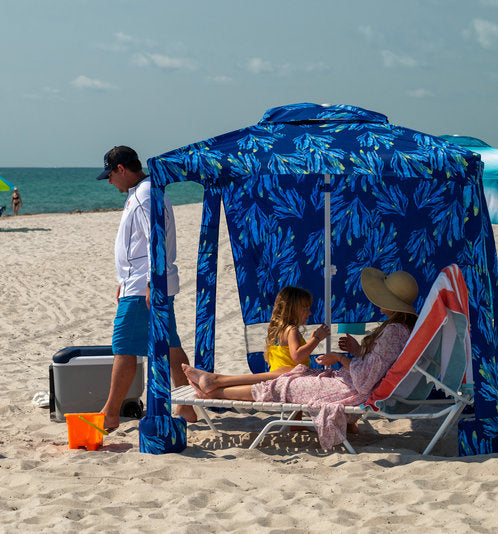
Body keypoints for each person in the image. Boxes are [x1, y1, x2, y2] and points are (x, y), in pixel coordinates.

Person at [182, 268, 419, 449]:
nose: (378, 302)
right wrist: (358, 353)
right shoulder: (400, 330)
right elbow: (377, 366)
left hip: (355, 389)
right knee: (289, 377)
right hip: (353, 384)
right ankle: (214, 384)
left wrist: (340, 357)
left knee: (285, 382)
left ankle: (214, 390)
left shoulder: (393, 331)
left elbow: (366, 378)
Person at [96, 145, 196, 431]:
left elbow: (155, 241)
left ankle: (110, 413)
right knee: (171, 344)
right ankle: (186, 408)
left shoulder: (144, 195)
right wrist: (124, 280)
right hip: (138, 282)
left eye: (111, 176)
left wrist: (152, 283)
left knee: (124, 346)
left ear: (121, 169)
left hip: (144, 286)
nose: (110, 182)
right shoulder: (145, 192)